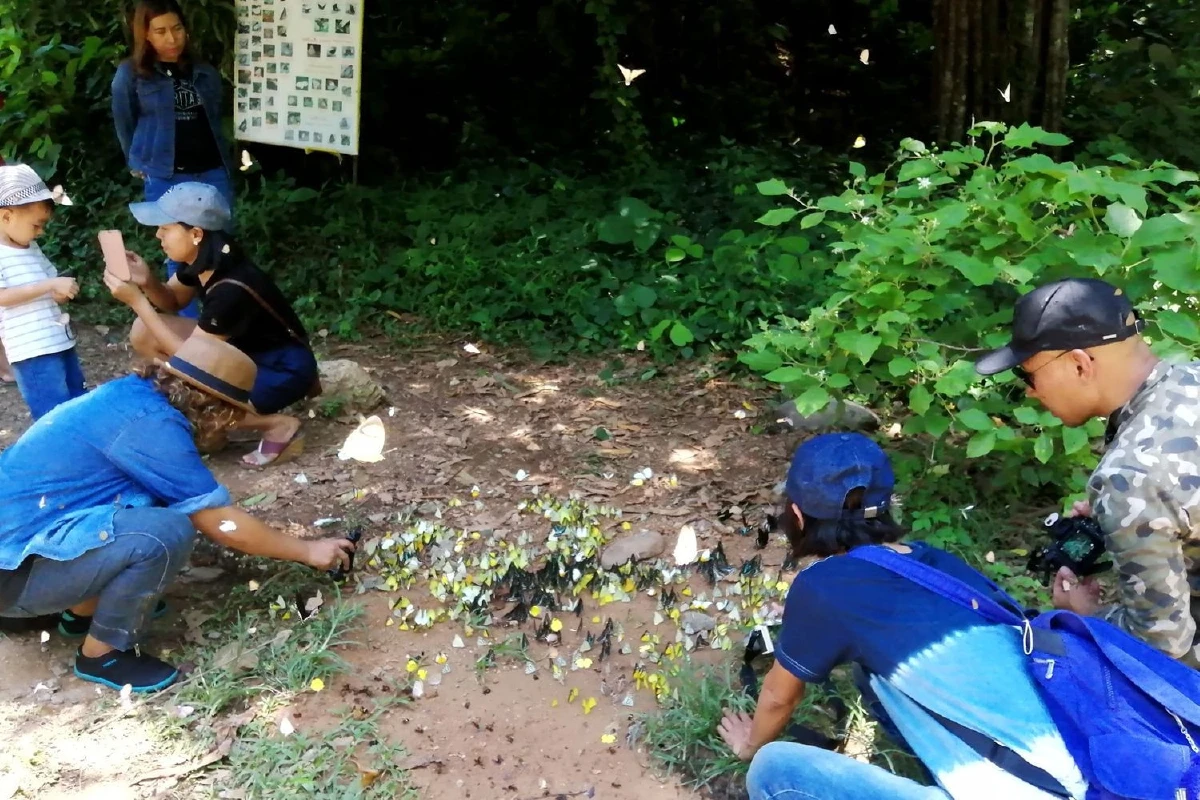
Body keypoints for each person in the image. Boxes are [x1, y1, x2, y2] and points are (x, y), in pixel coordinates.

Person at [717, 433, 1087, 800]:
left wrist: (750, 744)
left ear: (796, 515)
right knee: (871, 672)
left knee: (773, 770)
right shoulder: (939, 566)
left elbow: (780, 698)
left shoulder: (823, 587)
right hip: (1090, 769)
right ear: (890, 504)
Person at [0, 330, 354, 693]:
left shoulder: (131, 397)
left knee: (156, 506)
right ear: (214, 408)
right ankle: (102, 654)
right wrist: (309, 550)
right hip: (13, 575)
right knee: (165, 532)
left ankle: (82, 614)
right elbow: (222, 523)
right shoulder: (153, 427)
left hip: (22, 550)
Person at [975, 277, 1200, 667]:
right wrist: (1134, 526)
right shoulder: (1189, 378)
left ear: (1079, 364)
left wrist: (1085, 617)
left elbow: (1162, 648)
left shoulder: (1129, 476)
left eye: (1028, 376)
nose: (1031, 392)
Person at [106, 182, 317, 468]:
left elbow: (190, 364)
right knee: (143, 331)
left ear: (195, 233)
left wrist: (138, 302)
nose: (158, 235)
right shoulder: (207, 258)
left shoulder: (231, 288)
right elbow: (173, 302)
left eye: (166, 228)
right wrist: (148, 282)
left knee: (188, 397)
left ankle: (276, 424)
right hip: (244, 353)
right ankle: (218, 425)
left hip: (279, 369)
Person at [112, 0, 234, 320]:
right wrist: (135, 159)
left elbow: (216, 115)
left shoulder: (203, 71)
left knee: (220, 247)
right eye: (161, 31)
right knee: (178, 252)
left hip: (210, 171)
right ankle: (190, 328)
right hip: (165, 174)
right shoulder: (132, 74)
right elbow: (124, 120)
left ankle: (224, 318)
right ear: (146, 35)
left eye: (177, 28)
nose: (172, 38)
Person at [0, 164, 86, 419]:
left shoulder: (31, 248)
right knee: (52, 413)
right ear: (6, 216)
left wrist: (58, 291)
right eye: (36, 225)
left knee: (78, 400)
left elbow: (49, 281)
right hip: (31, 350)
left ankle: (83, 450)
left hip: (57, 338)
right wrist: (49, 286)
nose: (41, 232)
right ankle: (60, 455)